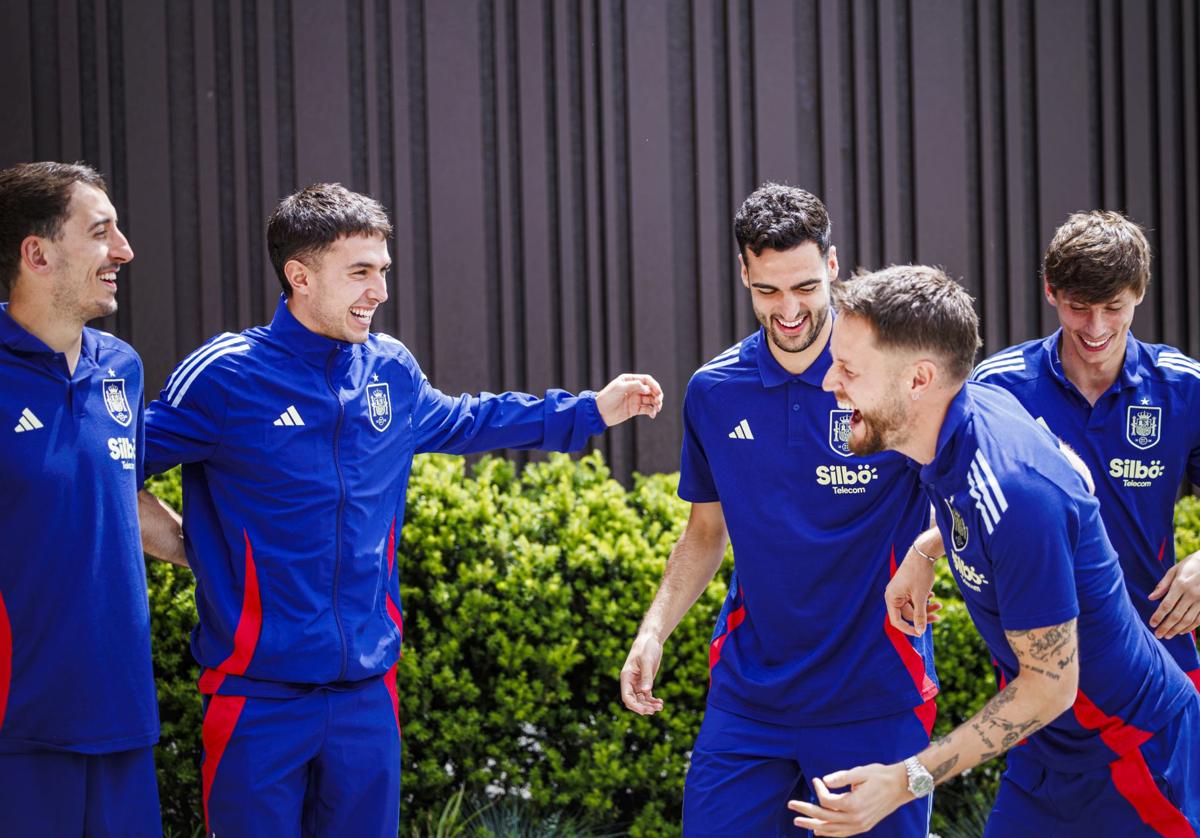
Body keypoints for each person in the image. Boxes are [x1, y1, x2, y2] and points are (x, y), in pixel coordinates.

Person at [136, 182, 663, 837]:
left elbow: (468, 421)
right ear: (299, 275)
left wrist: (589, 411)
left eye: (382, 271)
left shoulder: (390, 370)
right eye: (359, 272)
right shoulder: (224, 376)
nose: (379, 291)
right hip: (256, 700)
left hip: (366, 699)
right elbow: (105, 472)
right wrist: (189, 545)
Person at [794, 265, 1199, 836]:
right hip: (1049, 753)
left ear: (918, 379)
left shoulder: (1015, 492)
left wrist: (905, 780)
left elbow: (1050, 686)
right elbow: (1074, 477)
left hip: (1134, 760)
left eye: (849, 369)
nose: (829, 381)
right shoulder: (965, 415)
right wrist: (927, 550)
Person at [619, 184, 939, 837]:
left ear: (831, 266)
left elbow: (967, 495)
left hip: (875, 694)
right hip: (752, 698)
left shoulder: (892, 378)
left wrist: (927, 552)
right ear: (743, 273)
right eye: (768, 291)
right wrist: (654, 631)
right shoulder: (714, 391)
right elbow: (705, 532)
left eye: (802, 286)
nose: (788, 309)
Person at [0, 161, 170, 836]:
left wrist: (237, 562)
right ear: (37, 253)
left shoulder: (120, 367)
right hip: (20, 730)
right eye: (101, 233)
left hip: (124, 718)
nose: (123, 250)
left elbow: (117, 499)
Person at [971, 211, 1200, 687]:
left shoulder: (1182, 386)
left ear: (1140, 291)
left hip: (1155, 650)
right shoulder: (998, 386)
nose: (1096, 327)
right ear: (1050, 291)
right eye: (1079, 306)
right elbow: (957, 500)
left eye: (1113, 306)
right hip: (1037, 660)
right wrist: (924, 555)